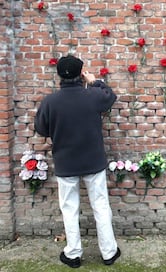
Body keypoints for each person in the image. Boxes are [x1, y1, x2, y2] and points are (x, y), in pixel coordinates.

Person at [34, 55, 121, 268]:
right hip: (93, 160)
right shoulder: (92, 96)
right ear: (81, 73)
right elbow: (110, 96)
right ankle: (109, 252)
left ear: (59, 76)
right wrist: (94, 81)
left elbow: (41, 129)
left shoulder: (50, 101)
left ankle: (73, 254)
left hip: (66, 162)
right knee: (100, 205)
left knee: (69, 208)